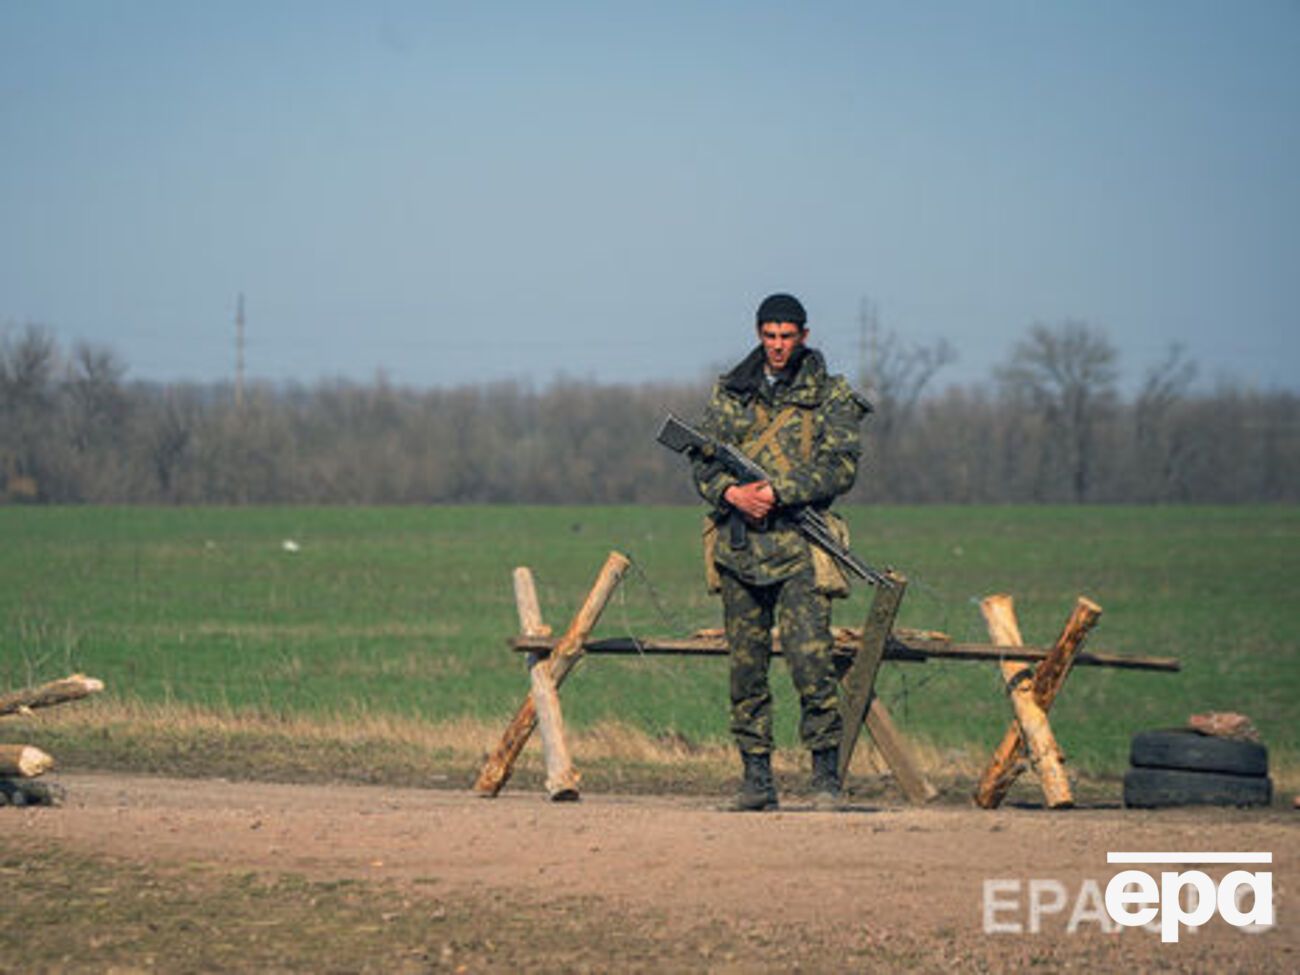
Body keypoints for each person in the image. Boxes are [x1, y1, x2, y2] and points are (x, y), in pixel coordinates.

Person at [691, 293, 870, 811]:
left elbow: (841, 468)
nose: (777, 346)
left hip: (801, 550)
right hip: (739, 550)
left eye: (787, 336)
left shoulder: (830, 394)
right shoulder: (732, 391)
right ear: (758, 334)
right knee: (745, 672)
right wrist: (730, 493)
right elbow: (701, 460)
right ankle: (756, 782)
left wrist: (778, 492)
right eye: (769, 335)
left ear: (804, 336)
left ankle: (826, 781)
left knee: (812, 666)